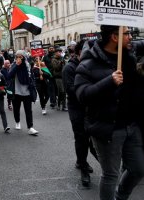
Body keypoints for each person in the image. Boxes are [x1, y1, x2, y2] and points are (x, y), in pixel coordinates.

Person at [75, 25, 144, 200]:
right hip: (107, 128)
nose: (131, 37)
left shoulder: (129, 53)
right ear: (115, 37)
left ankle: (120, 197)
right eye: (127, 33)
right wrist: (109, 81)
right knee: (111, 174)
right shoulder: (88, 63)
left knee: (138, 169)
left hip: (132, 126)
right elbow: (82, 95)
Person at [62, 40, 97, 187]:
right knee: (81, 137)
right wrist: (91, 91)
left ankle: (81, 161)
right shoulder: (69, 68)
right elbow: (71, 90)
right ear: (78, 52)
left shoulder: (94, 65)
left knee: (93, 137)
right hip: (77, 107)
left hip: (92, 108)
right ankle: (83, 168)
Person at [8, 50, 38, 135]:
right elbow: (9, 75)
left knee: (28, 110)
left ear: (24, 57)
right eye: (17, 56)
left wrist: (33, 86)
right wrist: (17, 65)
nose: (18, 58)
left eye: (20, 56)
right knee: (16, 109)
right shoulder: (14, 64)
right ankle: (17, 122)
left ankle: (30, 127)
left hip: (27, 91)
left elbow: (31, 76)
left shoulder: (27, 65)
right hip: (16, 92)